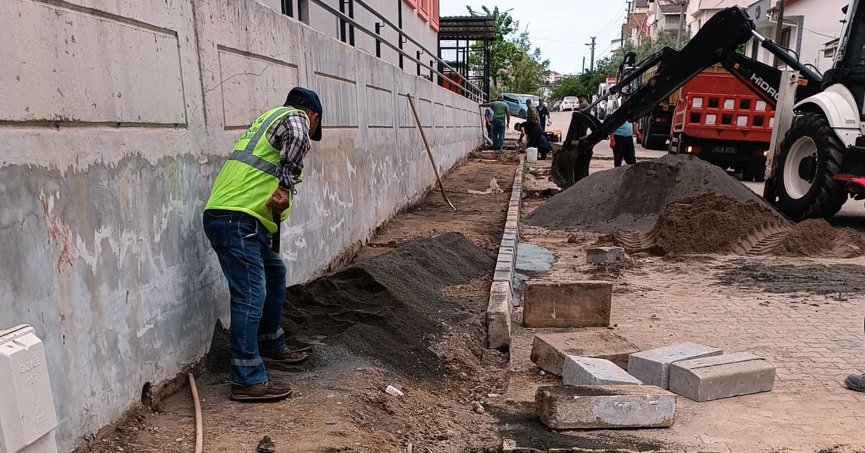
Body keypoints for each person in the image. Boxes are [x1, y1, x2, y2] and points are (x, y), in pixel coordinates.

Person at [202, 87, 323, 402]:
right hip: (236, 220)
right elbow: (299, 139)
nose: (310, 129)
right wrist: (285, 186)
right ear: (313, 116)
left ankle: (270, 342)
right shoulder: (294, 118)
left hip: (240, 219)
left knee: (274, 274)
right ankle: (245, 378)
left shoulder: (265, 121)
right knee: (250, 295)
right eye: (314, 124)